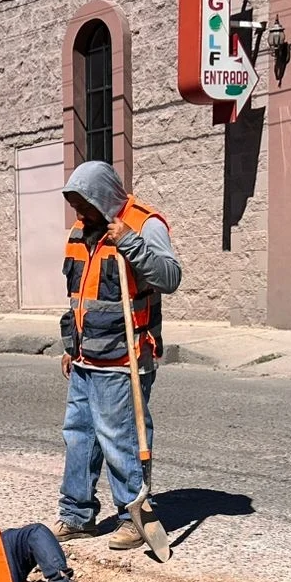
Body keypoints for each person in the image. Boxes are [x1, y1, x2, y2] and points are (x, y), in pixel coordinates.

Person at [54, 160, 181, 551]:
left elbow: (170, 277)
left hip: (125, 357)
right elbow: (80, 295)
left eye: (85, 204)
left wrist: (129, 242)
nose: (79, 212)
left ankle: (133, 515)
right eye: (75, 204)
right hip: (85, 357)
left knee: (120, 437)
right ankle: (77, 515)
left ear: (104, 198)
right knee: (78, 436)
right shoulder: (82, 230)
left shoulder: (144, 225)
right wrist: (70, 345)